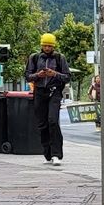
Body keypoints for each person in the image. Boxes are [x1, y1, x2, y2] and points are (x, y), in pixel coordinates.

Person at [25, 32, 70, 166]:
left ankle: (57, 154)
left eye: (49, 46)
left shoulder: (59, 58)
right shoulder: (34, 58)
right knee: (42, 124)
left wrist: (54, 74)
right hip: (39, 92)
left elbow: (67, 77)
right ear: (41, 46)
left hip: (54, 92)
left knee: (53, 121)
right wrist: (38, 75)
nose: (47, 48)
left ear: (53, 46)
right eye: (45, 46)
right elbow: (27, 76)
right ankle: (47, 153)